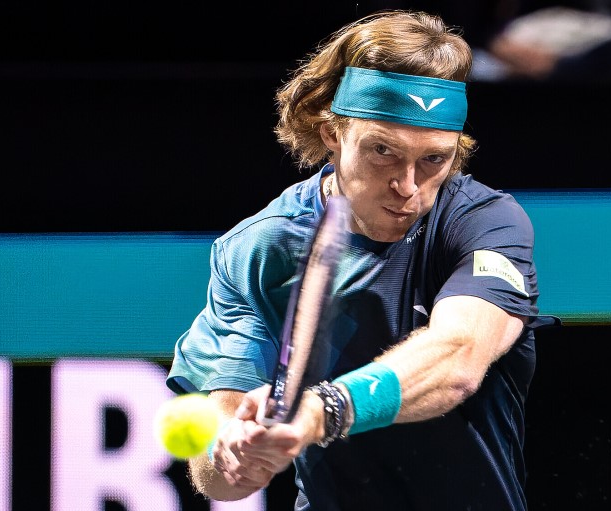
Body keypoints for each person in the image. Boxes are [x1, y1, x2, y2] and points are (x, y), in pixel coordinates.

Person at [166, 9, 557, 510]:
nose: (408, 186)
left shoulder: (485, 223)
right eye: (383, 151)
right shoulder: (260, 249)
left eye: (433, 159)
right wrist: (233, 450)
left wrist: (320, 411)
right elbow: (219, 478)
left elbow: (458, 358)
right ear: (333, 133)